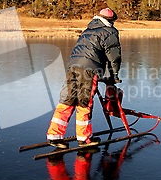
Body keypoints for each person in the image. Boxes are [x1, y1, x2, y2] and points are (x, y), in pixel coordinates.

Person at [46, 8, 122, 149]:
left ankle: (54, 136)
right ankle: (84, 139)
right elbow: (114, 57)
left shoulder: (88, 30)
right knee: (84, 102)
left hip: (72, 67)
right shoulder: (109, 31)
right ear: (111, 20)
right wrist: (114, 76)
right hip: (88, 69)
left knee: (67, 99)